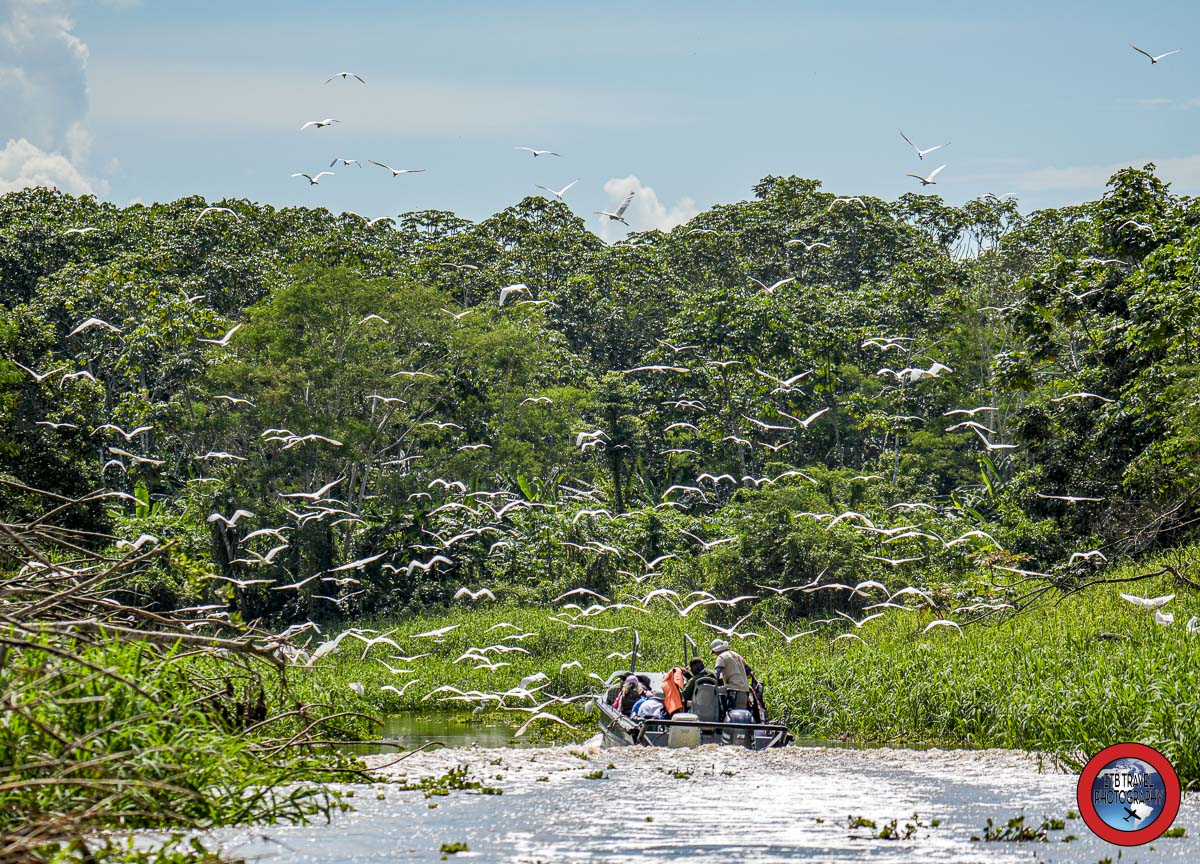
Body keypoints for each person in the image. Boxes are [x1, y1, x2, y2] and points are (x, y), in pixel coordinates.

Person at [710, 638, 751, 710]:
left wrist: (712, 683)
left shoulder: (721, 657)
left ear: (716, 651)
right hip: (744, 689)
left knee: (712, 693)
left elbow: (717, 673)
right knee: (741, 713)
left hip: (732, 689)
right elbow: (748, 670)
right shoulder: (737, 655)